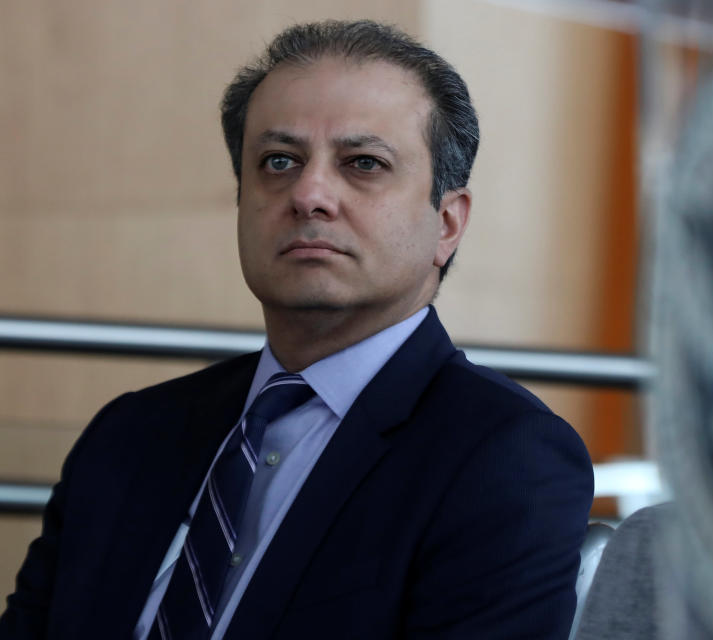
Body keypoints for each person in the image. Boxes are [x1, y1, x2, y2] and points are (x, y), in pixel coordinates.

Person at [0, 19, 594, 639]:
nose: (309, 193)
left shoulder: (506, 459)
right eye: (277, 161)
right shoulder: (126, 437)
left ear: (447, 223)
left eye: (364, 163)